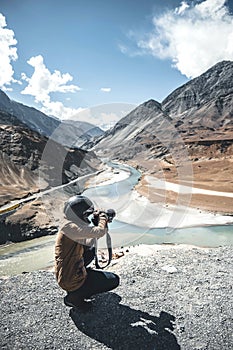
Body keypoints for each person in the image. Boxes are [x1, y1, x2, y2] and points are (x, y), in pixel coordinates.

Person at [54, 195, 119, 312]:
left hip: (68, 273)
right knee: (113, 280)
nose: (88, 218)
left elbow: (90, 242)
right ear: (81, 215)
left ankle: (80, 287)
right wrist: (103, 218)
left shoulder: (70, 227)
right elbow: (99, 232)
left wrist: (98, 224)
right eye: (87, 215)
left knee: (89, 251)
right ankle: (74, 297)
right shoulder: (70, 228)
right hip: (71, 279)